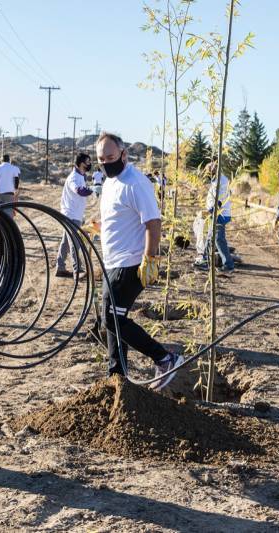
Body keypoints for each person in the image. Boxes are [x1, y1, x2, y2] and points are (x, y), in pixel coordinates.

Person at [94, 132, 184, 391]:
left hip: (131, 262)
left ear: (124, 154)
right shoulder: (111, 182)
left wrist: (151, 258)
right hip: (112, 262)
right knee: (111, 320)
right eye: (101, 159)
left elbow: (152, 222)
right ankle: (117, 376)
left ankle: (165, 358)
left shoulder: (136, 182)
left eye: (110, 157)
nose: (106, 163)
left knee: (111, 319)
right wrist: (99, 227)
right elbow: (120, 217)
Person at [55, 153, 94, 279]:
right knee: (74, 242)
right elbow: (79, 191)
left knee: (66, 242)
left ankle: (60, 268)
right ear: (81, 163)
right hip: (70, 215)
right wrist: (92, 189)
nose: (89, 164)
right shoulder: (74, 177)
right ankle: (78, 270)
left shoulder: (80, 176)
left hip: (74, 214)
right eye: (87, 162)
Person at [196, 160, 235, 273]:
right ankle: (205, 260)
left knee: (219, 239)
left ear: (213, 171)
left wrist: (212, 210)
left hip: (220, 214)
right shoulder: (216, 180)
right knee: (209, 237)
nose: (207, 175)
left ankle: (228, 265)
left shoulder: (220, 181)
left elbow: (220, 199)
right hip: (216, 213)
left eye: (208, 172)